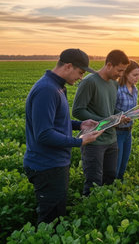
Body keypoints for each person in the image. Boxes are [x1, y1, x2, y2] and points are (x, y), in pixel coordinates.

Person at [23, 48, 102, 224]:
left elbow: (56, 122)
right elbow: (44, 134)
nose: (81, 77)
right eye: (80, 72)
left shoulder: (57, 87)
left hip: (55, 164)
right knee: (50, 220)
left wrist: (79, 125)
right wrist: (79, 141)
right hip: (46, 166)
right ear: (68, 66)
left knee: (57, 215)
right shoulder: (47, 90)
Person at [72, 50, 130, 196]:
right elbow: (78, 111)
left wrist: (121, 116)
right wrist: (105, 121)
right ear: (109, 65)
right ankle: (89, 212)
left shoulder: (114, 84)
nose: (121, 75)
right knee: (93, 182)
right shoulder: (89, 82)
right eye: (119, 70)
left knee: (110, 177)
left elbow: (110, 107)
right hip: (94, 141)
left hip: (112, 139)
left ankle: (104, 208)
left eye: (124, 71)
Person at [115, 60, 139, 180]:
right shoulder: (117, 90)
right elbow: (111, 112)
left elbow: (132, 110)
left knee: (123, 164)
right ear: (125, 74)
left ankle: (118, 189)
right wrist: (121, 118)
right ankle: (110, 190)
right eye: (135, 75)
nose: (138, 78)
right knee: (116, 166)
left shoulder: (135, 90)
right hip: (117, 132)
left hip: (128, 132)